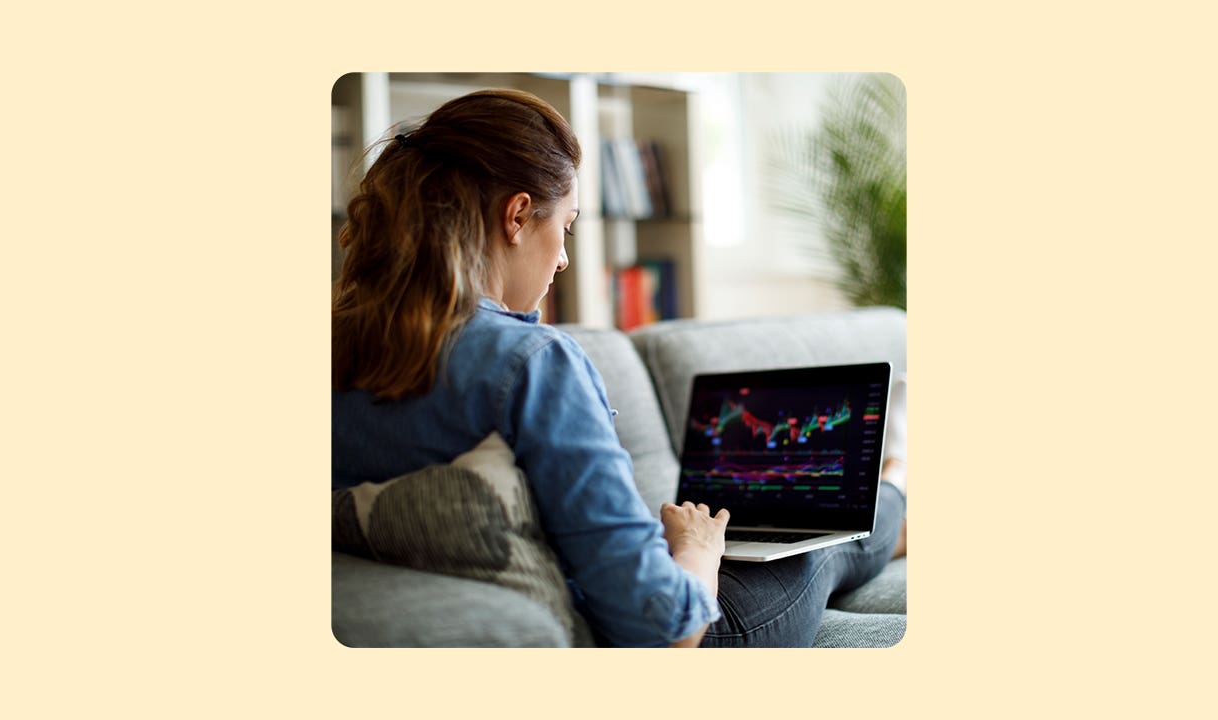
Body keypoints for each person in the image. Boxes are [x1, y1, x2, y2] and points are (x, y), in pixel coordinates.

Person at [332, 88, 906, 648]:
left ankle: (893, 496)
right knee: (818, 542)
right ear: (518, 215)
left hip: (576, 588)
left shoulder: (337, 347)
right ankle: (899, 483)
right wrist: (699, 547)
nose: (561, 258)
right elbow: (668, 632)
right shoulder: (532, 363)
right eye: (567, 227)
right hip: (683, 630)